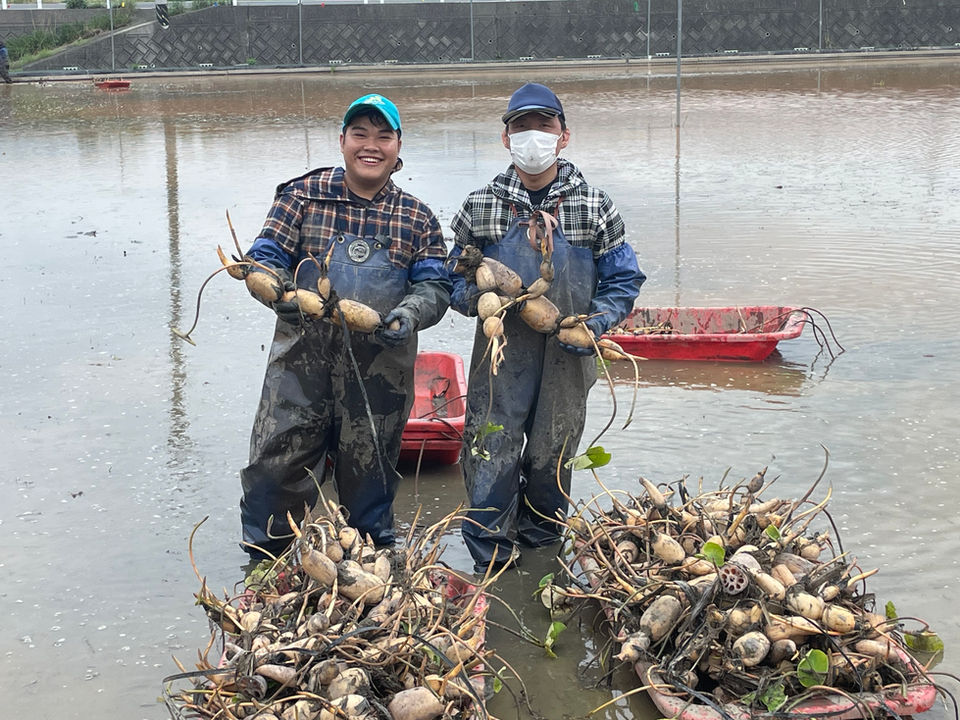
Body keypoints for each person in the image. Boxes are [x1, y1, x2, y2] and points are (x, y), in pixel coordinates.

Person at [239, 93, 451, 560]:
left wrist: (410, 313)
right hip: (300, 371)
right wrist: (277, 291)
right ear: (342, 141)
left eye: (383, 136)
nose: (370, 145)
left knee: (370, 485)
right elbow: (265, 255)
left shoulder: (417, 217)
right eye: (360, 134)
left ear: (398, 146)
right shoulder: (302, 196)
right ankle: (264, 566)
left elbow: (436, 285)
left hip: (380, 375)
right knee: (276, 473)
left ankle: (369, 572)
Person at [449, 82, 645, 575]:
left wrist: (596, 324)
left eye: (544, 125)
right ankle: (491, 562)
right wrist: (482, 301)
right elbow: (451, 276)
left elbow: (623, 279)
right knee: (489, 449)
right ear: (506, 138)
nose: (532, 136)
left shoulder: (595, 205)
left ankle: (540, 566)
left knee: (552, 458)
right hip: (500, 357)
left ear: (563, 136)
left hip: (567, 358)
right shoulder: (480, 206)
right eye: (521, 126)